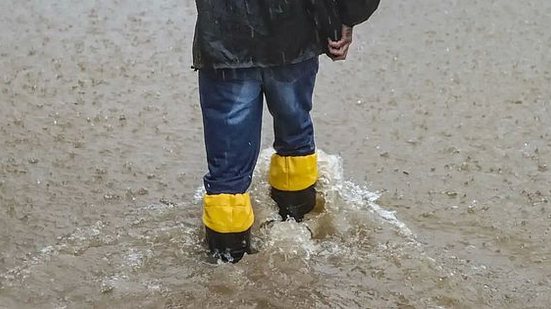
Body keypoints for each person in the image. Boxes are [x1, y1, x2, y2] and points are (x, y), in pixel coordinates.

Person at [193, 0, 380, 262]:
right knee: (295, 142)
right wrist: (344, 17)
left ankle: (225, 266)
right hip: (294, 33)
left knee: (227, 175)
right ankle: (298, 227)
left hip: (224, 37)